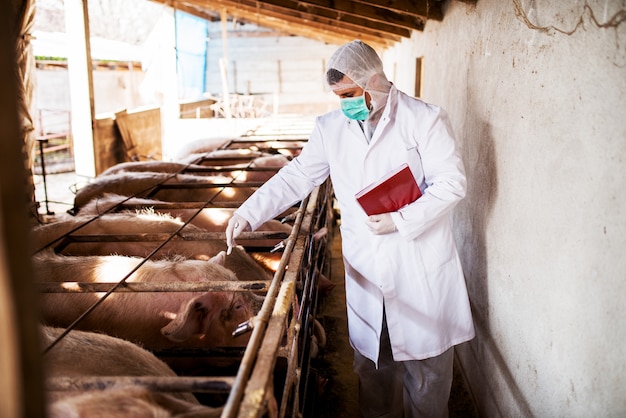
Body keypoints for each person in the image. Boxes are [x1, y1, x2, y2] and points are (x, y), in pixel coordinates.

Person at [226, 40, 475, 418]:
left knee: (427, 379)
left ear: (373, 80)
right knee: (374, 371)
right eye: (338, 96)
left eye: (349, 94)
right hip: (367, 272)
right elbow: (297, 176)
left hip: (419, 265)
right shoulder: (330, 128)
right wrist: (248, 212)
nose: (345, 104)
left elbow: (452, 183)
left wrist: (401, 219)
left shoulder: (424, 119)